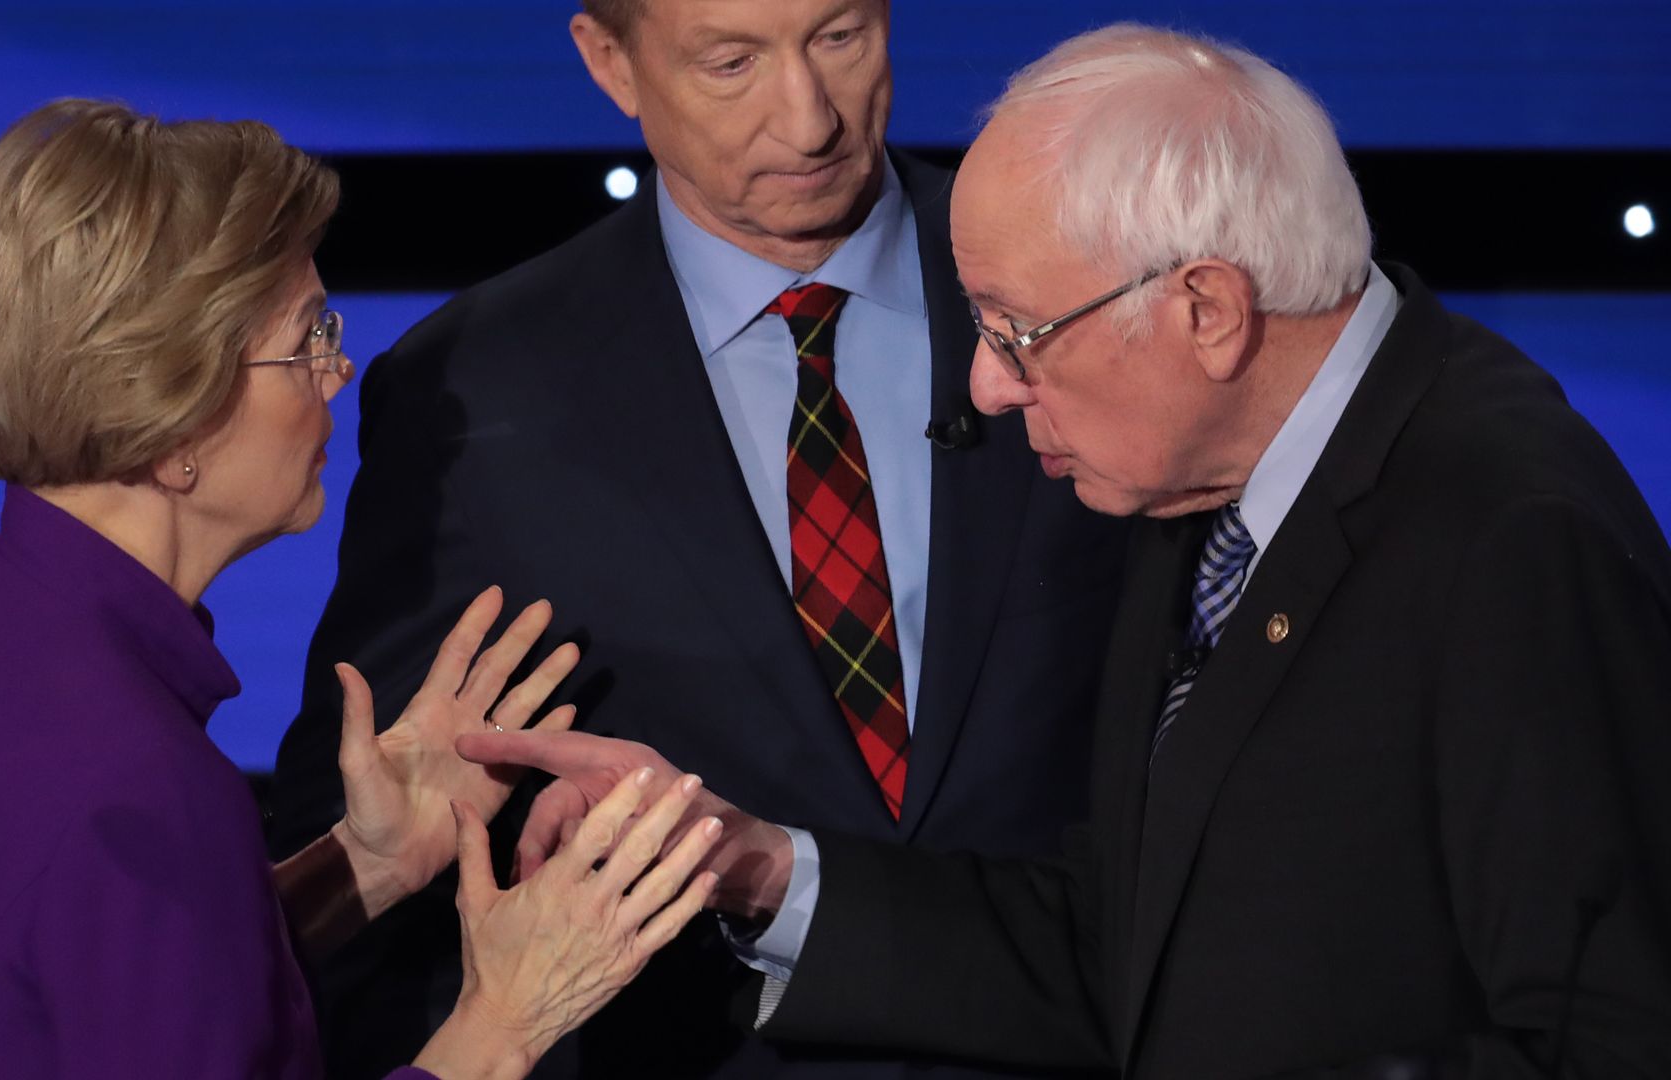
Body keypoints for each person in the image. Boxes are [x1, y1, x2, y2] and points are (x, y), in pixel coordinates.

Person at [460, 23, 1671, 1078]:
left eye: (1015, 331)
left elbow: (1610, 1043)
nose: (983, 385)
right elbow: (1127, 948)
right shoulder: (1204, 493)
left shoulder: (1511, 537)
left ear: (1206, 310)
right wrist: (758, 866)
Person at [268, 2, 1128, 1075]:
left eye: (841, 38)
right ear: (609, 61)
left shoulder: (1094, 286)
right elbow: (375, 841)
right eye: (731, 63)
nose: (809, 119)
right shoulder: (477, 388)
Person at [0, 98, 720, 1080]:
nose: (340, 368)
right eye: (308, 335)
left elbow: (131, 994)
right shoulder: (135, 780)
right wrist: (507, 1021)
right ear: (174, 412)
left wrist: (364, 864)